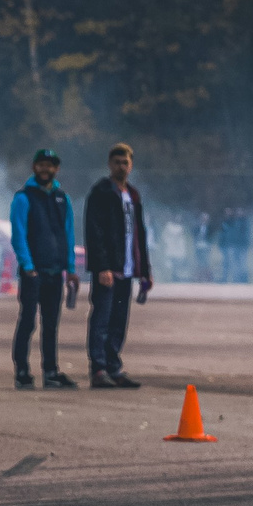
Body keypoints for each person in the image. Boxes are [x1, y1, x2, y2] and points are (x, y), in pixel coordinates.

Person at [83, 141, 152, 389]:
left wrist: (145, 271)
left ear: (131, 166)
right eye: (117, 162)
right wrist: (101, 267)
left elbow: (139, 234)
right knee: (102, 318)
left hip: (128, 268)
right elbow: (94, 231)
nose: (121, 166)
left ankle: (114, 366)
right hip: (109, 269)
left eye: (126, 162)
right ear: (110, 164)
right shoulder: (101, 191)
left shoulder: (133, 195)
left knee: (119, 321)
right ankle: (98, 368)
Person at [8, 148, 77, 389]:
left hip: (55, 271)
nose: (45, 169)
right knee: (28, 322)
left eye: (50, 165)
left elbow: (68, 234)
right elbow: (19, 235)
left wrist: (71, 268)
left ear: (56, 168)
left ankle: (50, 371)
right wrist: (28, 266)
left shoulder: (62, 198)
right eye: (41, 164)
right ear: (34, 167)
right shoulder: (23, 198)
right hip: (33, 272)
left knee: (51, 324)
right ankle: (22, 371)